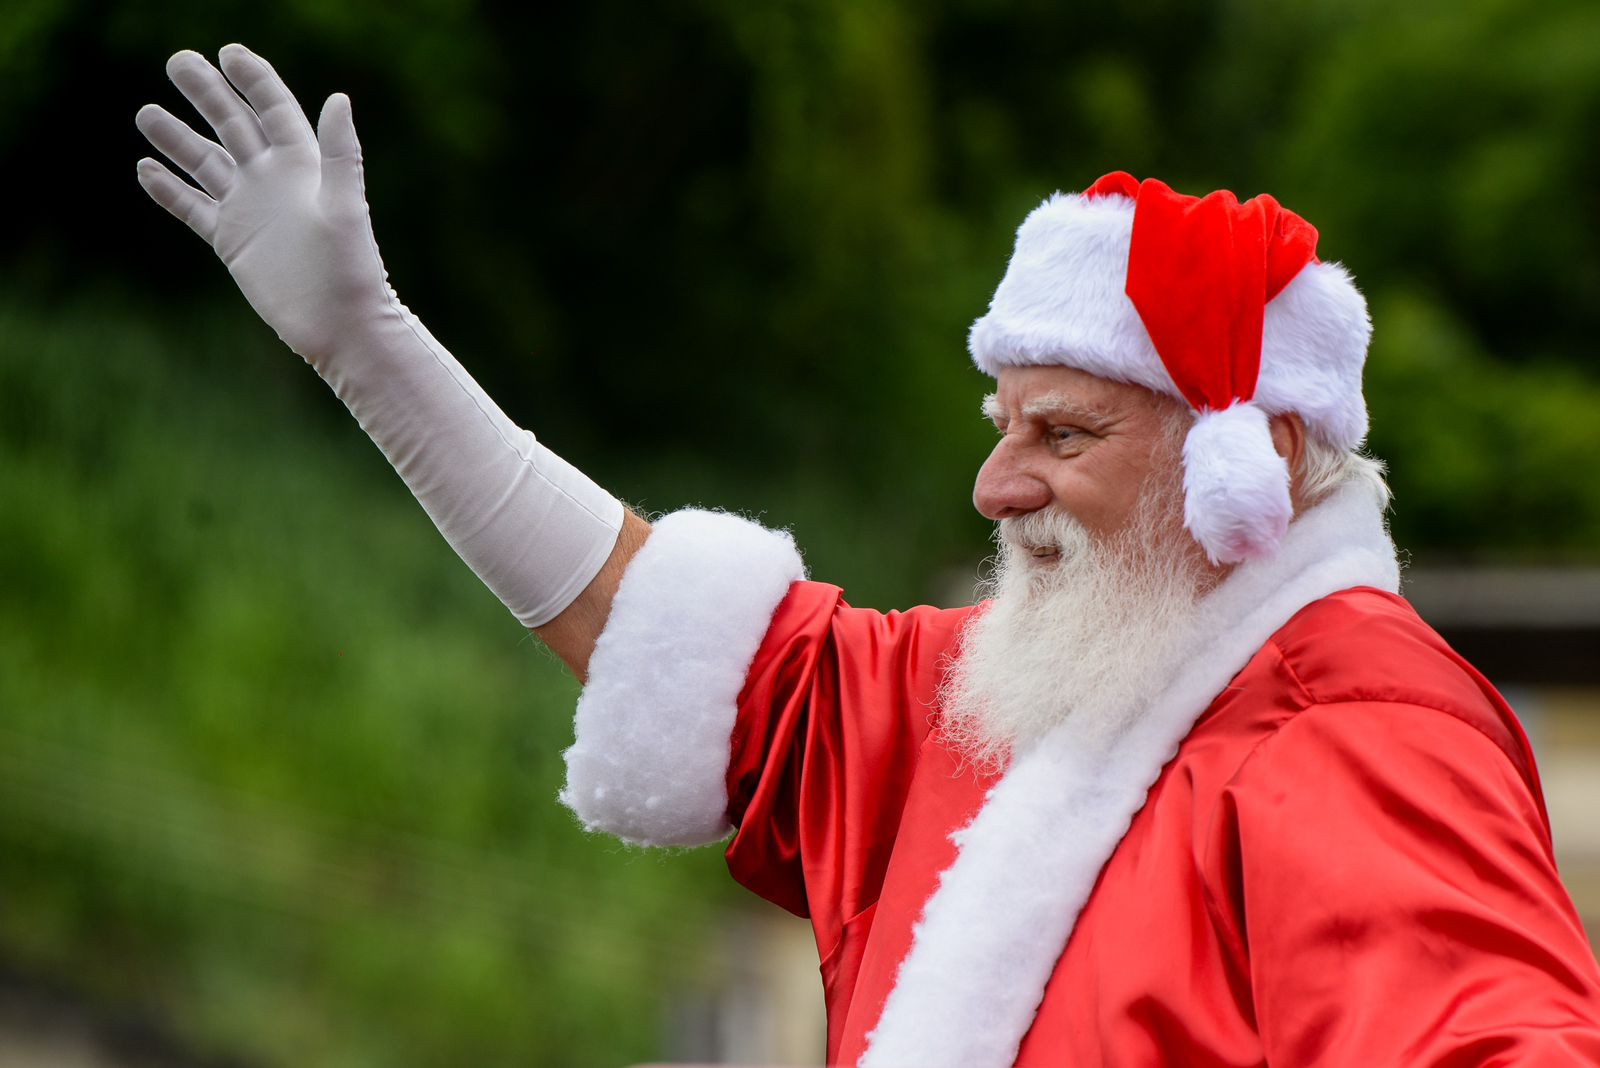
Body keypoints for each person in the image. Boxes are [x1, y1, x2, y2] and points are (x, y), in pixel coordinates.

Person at [137, 45, 1600, 1067]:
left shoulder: (1367, 735)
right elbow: (676, 636)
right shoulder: (1020, 702)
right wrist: (370, 351)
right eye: (1000, 424)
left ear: (1250, 463)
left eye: (1065, 436)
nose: (992, 483)